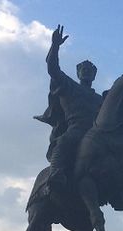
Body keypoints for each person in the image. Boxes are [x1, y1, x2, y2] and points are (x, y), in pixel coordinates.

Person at [34, 25, 103, 194]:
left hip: (98, 134)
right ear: (78, 73)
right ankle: (56, 174)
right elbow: (53, 69)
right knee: (64, 142)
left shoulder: (100, 99)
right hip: (76, 129)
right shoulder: (69, 86)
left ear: (94, 75)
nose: (86, 72)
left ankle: (120, 194)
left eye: (90, 71)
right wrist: (55, 46)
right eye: (83, 70)